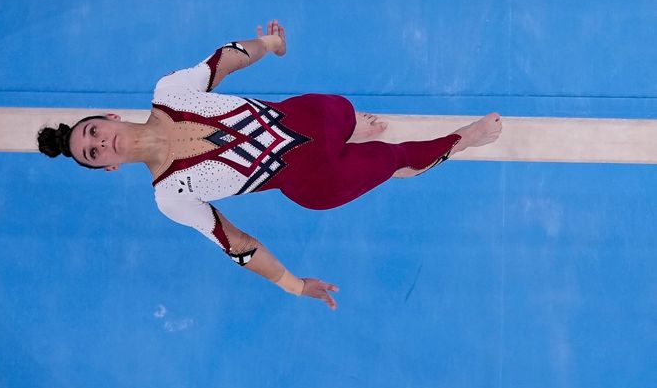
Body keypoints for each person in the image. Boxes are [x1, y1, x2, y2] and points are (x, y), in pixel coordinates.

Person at [38, 20, 502, 310]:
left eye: (94, 132)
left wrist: (266, 44)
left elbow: (224, 60)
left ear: (109, 118)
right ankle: (463, 140)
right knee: (400, 161)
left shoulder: (170, 91)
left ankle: (351, 130)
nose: (102, 142)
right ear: (109, 169)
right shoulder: (169, 195)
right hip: (318, 182)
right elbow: (234, 242)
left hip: (314, 111)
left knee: (342, 111)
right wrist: (292, 284)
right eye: (93, 153)